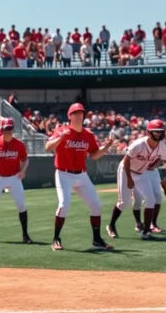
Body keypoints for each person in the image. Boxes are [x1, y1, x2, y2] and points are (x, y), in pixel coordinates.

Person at [44, 103, 115, 251]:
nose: (78, 116)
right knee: (64, 205)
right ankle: (56, 239)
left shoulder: (88, 135)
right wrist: (60, 139)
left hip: (81, 175)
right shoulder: (62, 130)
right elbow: (48, 147)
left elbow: (95, 155)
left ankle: (97, 240)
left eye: (81, 113)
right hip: (64, 173)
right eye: (75, 113)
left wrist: (107, 147)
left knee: (96, 205)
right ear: (69, 116)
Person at [108, 120, 166, 240]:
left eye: (160, 132)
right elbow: (126, 160)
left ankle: (146, 232)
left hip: (141, 173)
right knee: (124, 202)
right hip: (126, 171)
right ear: (149, 132)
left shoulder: (161, 146)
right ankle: (111, 225)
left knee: (151, 199)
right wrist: (129, 178)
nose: (158, 134)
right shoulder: (139, 144)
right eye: (156, 132)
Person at [0, 117, 31, 243]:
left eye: (10, 128)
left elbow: (25, 159)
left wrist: (23, 170)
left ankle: (25, 235)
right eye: (5, 128)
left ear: (13, 129)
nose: (8, 131)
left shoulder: (19, 144)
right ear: (1, 130)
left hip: (14, 177)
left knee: (21, 205)